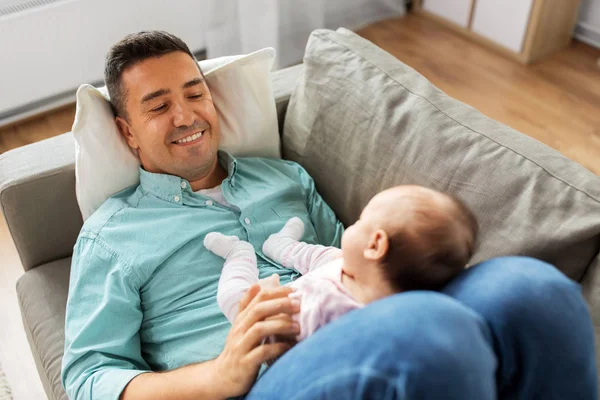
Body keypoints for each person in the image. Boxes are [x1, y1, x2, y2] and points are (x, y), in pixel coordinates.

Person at [61, 30, 597, 400]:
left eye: (194, 92)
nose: (185, 115)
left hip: (350, 325)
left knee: (531, 289)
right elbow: (88, 379)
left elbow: (353, 261)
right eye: (157, 106)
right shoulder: (113, 235)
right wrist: (218, 375)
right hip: (257, 383)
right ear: (128, 132)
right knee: (429, 332)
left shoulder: (282, 177)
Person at [205, 185, 478, 342]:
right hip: (337, 273)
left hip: (283, 309)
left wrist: (265, 303)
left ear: (374, 245)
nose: (355, 223)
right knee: (326, 256)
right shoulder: (361, 269)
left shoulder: (332, 313)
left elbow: (280, 345)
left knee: (232, 297)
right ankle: (280, 244)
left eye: (361, 220)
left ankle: (239, 254)